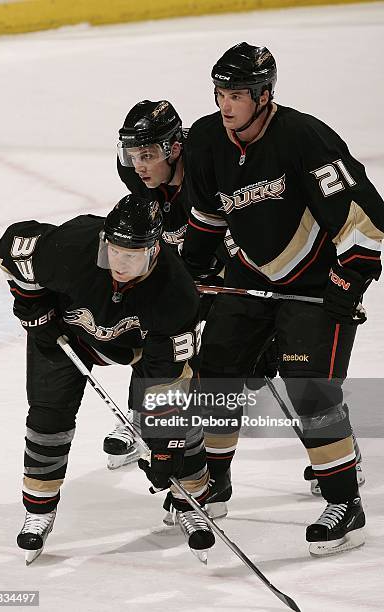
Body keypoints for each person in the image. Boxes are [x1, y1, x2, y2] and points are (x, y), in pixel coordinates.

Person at [181, 42, 384, 555]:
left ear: (264, 95)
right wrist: (193, 279)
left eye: (236, 95)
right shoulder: (206, 140)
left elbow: (360, 215)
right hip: (248, 276)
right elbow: (207, 221)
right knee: (216, 372)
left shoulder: (304, 137)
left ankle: (344, 502)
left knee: (309, 388)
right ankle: (215, 481)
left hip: (315, 286)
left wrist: (348, 280)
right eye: (220, 93)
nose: (225, 105)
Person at [0, 195, 215, 564]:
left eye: (132, 256)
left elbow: (167, 380)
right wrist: (32, 306)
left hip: (141, 347)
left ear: (154, 251)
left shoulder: (175, 293)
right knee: (48, 415)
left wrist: (164, 445)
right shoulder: (72, 247)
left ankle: (190, 498)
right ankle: (39, 509)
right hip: (70, 335)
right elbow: (14, 248)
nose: (120, 264)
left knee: (175, 419)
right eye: (114, 252)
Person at [105, 99, 277, 520]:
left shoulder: (209, 174)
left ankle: (339, 453)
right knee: (150, 328)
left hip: (238, 280)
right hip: (187, 278)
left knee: (280, 363)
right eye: (133, 156)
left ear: (174, 149)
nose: (138, 166)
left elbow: (247, 237)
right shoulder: (137, 175)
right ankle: (146, 419)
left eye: (147, 155)